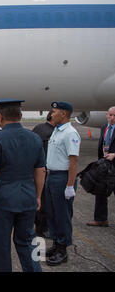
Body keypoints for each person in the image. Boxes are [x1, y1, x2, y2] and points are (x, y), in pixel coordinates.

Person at [0, 99, 46, 272]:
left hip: (3, 201)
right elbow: (41, 170)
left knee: (1, 246)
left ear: (0, 117)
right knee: (28, 242)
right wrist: (38, 196)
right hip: (27, 198)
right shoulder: (35, 138)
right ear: (20, 116)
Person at [44, 101, 81, 266]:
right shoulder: (57, 131)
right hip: (51, 177)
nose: (51, 114)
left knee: (62, 215)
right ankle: (56, 244)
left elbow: (73, 162)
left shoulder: (70, 133)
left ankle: (63, 250)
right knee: (51, 213)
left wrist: (70, 186)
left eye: (54, 111)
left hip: (62, 178)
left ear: (64, 114)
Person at [87, 106, 115, 227]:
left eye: (114, 116)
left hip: (114, 164)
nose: (112, 118)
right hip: (104, 164)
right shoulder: (104, 127)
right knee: (100, 192)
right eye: (110, 115)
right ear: (106, 115)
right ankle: (101, 219)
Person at [32, 111, 55, 237]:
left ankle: (38, 226)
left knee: (38, 199)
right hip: (44, 170)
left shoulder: (38, 128)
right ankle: (43, 229)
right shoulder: (52, 133)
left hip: (34, 169)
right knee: (44, 201)